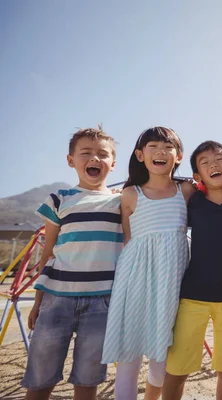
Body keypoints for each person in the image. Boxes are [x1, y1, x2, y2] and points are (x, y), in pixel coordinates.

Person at [21, 127, 123, 400]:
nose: (95, 158)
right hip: (56, 299)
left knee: (88, 381)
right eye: (86, 153)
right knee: (40, 380)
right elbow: (49, 253)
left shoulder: (122, 202)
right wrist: (38, 299)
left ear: (113, 164)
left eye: (103, 154)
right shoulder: (58, 200)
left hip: (103, 301)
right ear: (71, 160)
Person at [101, 127, 195, 400]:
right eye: (153, 146)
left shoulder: (186, 190)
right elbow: (130, 239)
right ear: (140, 155)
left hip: (172, 277)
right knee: (129, 353)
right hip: (135, 277)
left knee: (163, 350)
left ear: (178, 156)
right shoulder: (130, 194)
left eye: (168, 147)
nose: (161, 151)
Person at [162, 141, 222, 400]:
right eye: (205, 162)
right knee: (178, 368)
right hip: (193, 295)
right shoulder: (194, 201)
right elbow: (167, 186)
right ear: (198, 176)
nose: (213, 164)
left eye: (219, 159)